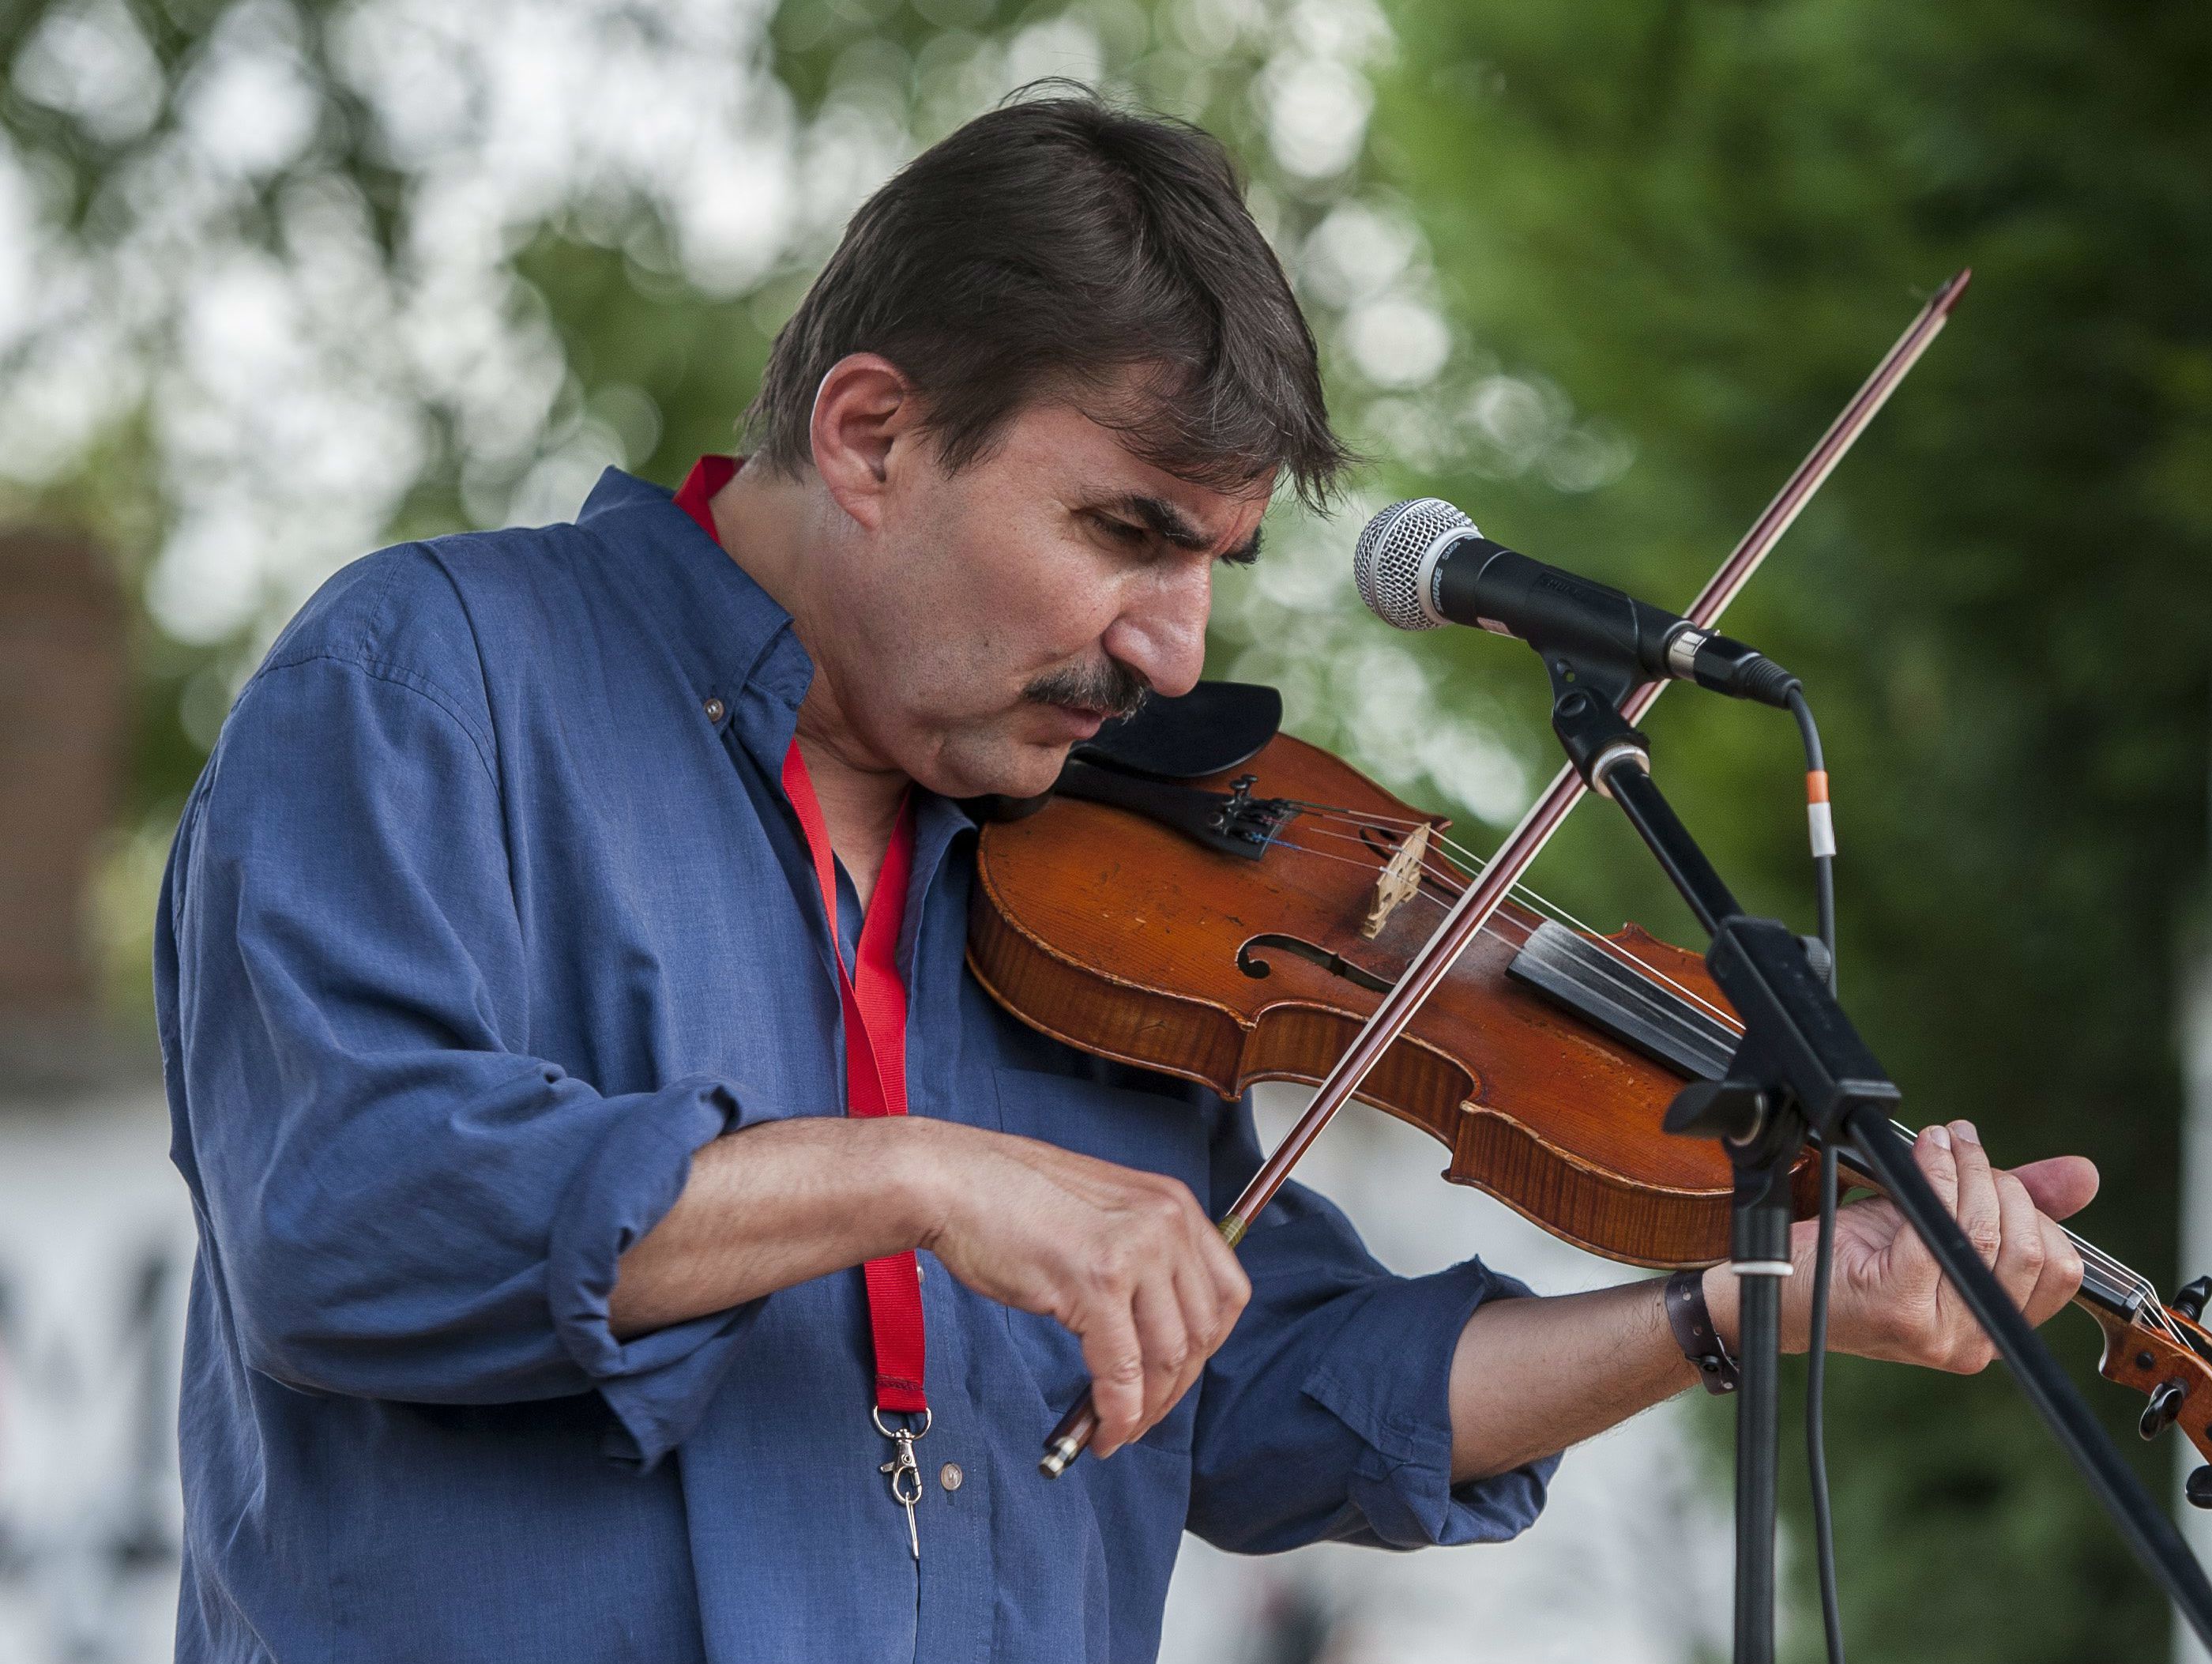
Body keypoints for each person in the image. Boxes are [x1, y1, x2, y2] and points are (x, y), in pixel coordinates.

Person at [156, 93, 2099, 1664]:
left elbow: (1250, 1390)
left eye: (1214, 566)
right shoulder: (433, 683)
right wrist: (925, 1172)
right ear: (872, 434)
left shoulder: (1102, 878)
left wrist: (1722, 1313)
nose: (1175, 652)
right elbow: (352, 1217)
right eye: (1123, 532)